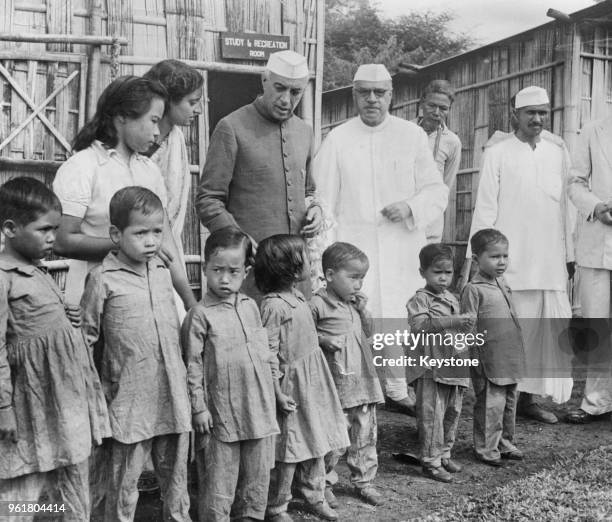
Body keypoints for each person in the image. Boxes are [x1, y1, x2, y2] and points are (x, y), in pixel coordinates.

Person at [314, 63, 448, 414]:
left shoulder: (411, 136)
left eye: (379, 92)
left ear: (391, 95)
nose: (372, 99)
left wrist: (410, 206)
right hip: (355, 248)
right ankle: (359, 393)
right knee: (359, 315)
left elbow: (436, 190)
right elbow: (324, 201)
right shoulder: (337, 139)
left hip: (401, 245)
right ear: (354, 95)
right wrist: (327, 258)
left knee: (400, 314)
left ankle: (398, 387)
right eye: (364, 92)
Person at [462, 86, 575, 423]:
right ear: (515, 114)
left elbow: (567, 207)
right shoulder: (498, 152)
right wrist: (478, 257)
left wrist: (569, 254)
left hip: (550, 259)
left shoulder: (557, 152)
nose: (537, 118)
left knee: (544, 330)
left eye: (543, 112)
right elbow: (485, 208)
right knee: (509, 330)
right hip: (508, 260)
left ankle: (529, 401)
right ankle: (499, 402)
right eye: (530, 113)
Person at [80, 187, 192, 522]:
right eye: (140, 233)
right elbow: (87, 339)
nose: (151, 241)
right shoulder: (102, 279)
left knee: (176, 477)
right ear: (116, 234)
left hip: (171, 391)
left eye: (157, 232)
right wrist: (93, 393)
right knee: (124, 481)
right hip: (127, 397)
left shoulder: (161, 272)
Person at [0, 177, 109, 521]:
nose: (52, 238)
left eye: (56, 229)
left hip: (64, 398)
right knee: (23, 485)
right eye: (44, 230)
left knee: (74, 477)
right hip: (31, 404)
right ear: (10, 228)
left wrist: (67, 315)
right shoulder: (4, 276)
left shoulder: (38, 270)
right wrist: (3, 406)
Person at [52, 75, 196, 310]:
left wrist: (189, 302)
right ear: (122, 117)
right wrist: (125, 246)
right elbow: (62, 240)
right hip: (98, 299)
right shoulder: (83, 166)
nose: (158, 132)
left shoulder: (149, 171)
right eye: (153, 120)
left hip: (150, 296)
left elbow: (167, 245)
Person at [197, 50, 323, 300]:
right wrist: (239, 242)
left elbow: (308, 190)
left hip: (298, 276)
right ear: (264, 80)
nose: (286, 99)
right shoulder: (231, 127)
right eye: (280, 88)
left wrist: (315, 209)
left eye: (296, 92)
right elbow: (208, 200)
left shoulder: (304, 132)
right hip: (253, 275)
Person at [182, 227, 279, 521]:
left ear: (246, 271)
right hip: (220, 412)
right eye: (217, 270)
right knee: (218, 479)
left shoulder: (252, 307)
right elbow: (192, 365)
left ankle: (250, 516)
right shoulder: (199, 315)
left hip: (258, 408)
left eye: (233, 271)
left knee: (256, 475)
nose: (224, 279)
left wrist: (278, 392)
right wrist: (198, 407)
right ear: (204, 268)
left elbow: (266, 355)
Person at [255, 235, 349, 522]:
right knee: (291, 447)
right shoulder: (273, 306)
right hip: (291, 386)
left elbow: (305, 334)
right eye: (307, 259)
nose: (312, 263)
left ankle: (314, 495)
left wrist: (323, 340)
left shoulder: (298, 297)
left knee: (317, 438)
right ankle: (278, 506)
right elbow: (268, 353)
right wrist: (276, 392)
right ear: (293, 269)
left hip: (314, 381)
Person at [310, 242, 384, 506]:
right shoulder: (317, 303)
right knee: (334, 441)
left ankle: (364, 481)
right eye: (353, 277)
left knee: (365, 437)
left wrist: (364, 311)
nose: (358, 284)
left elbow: (369, 333)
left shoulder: (354, 304)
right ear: (330, 275)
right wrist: (322, 339)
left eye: (362, 278)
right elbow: (303, 336)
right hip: (336, 386)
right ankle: (324, 483)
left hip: (363, 383)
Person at [406, 244, 473, 483]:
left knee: (452, 411)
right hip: (429, 367)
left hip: (453, 364)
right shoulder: (419, 300)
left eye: (448, 272)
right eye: (437, 272)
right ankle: (430, 461)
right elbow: (421, 326)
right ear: (422, 272)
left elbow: (458, 331)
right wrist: (454, 321)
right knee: (432, 414)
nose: (444, 278)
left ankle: (444, 453)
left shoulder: (451, 297)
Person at [143, 59, 203, 318]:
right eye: (191, 102)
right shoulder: (139, 149)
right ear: (168, 101)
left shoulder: (175, 139)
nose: (198, 110)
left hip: (168, 250)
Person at [461, 229, 526, 466]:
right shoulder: (473, 289)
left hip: (509, 353)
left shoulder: (502, 282)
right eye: (495, 257)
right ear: (477, 259)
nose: (502, 262)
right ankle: (486, 448)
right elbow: (468, 327)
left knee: (509, 401)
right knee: (491, 403)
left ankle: (505, 442)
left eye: (505, 256)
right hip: (488, 357)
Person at [566, 115, 612, 423]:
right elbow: (575, 183)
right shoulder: (594, 131)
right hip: (599, 244)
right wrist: (596, 207)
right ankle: (596, 401)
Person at [414, 80, 462, 243]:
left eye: (443, 108)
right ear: (422, 103)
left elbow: (446, 184)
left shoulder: (452, 142)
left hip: (431, 220)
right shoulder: (405, 132)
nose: (436, 112)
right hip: (403, 214)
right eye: (431, 105)